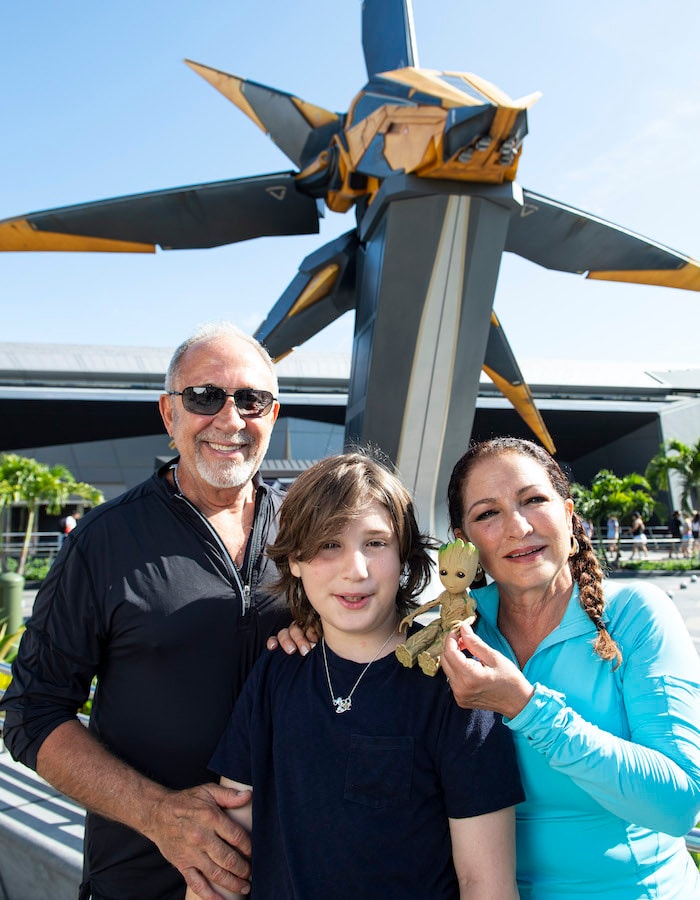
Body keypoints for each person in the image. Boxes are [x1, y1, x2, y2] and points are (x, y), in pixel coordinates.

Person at [0, 321, 294, 900]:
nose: (230, 420)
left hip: (296, 875)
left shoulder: (312, 535)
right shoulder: (104, 540)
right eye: (204, 397)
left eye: (251, 400)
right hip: (140, 879)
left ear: (274, 415)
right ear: (169, 415)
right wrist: (157, 813)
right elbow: (33, 713)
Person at [188, 452, 524, 899]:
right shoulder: (276, 671)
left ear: (404, 556)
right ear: (294, 560)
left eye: (376, 543)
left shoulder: (457, 684)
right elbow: (226, 864)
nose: (356, 570)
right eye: (329, 544)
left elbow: (487, 884)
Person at [439, 437, 700, 899]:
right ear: (464, 541)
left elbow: (678, 805)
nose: (518, 527)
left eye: (533, 500)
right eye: (487, 514)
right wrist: (299, 637)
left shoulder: (636, 615)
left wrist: (527, 708)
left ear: (568, 512)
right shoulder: (454, 630)